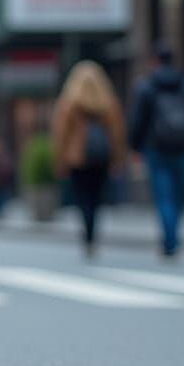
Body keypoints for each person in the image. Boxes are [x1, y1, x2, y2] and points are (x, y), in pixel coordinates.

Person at [128, 42, 184, 257]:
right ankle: (174, 236)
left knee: (164, 196)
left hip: (156, 148)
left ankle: (169, 241)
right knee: (178, 195)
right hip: (183, 147)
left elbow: (138, 120)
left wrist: (134, 145)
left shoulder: (147, 86)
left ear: (155, 61)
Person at [51, 61, 126, 256]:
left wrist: (60, 159)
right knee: (96, 198)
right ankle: (93, 233)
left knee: (83, 198)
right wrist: (118, 158)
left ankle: (87, 235)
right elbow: (117, 134)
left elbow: (61, 135)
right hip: (101, 157)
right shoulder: (109, 103)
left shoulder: (69, 104)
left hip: (77, 159)